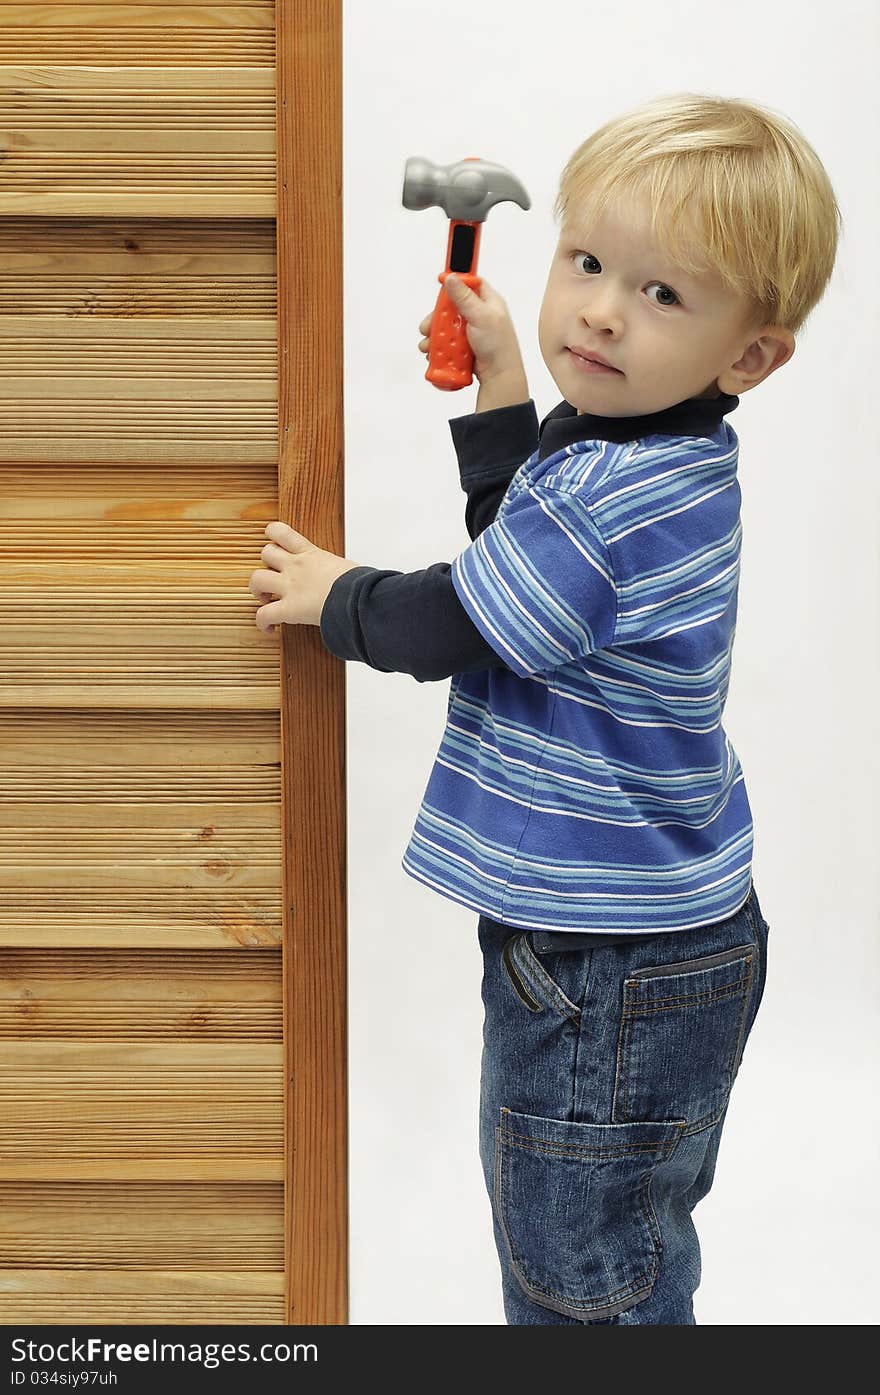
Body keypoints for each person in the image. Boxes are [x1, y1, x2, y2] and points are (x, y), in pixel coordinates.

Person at [248, 92, 841, 1324]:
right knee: (618, 1246)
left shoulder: (610, 498)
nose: (603, 309)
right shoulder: (656, 460)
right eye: (585, 261)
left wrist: (335, 596)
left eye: (662, 295)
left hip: (605, 963)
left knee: (578, 1275)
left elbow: (466, 614)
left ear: (749, 356)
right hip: (657, 931)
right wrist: (506, 379)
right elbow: (527, 550)